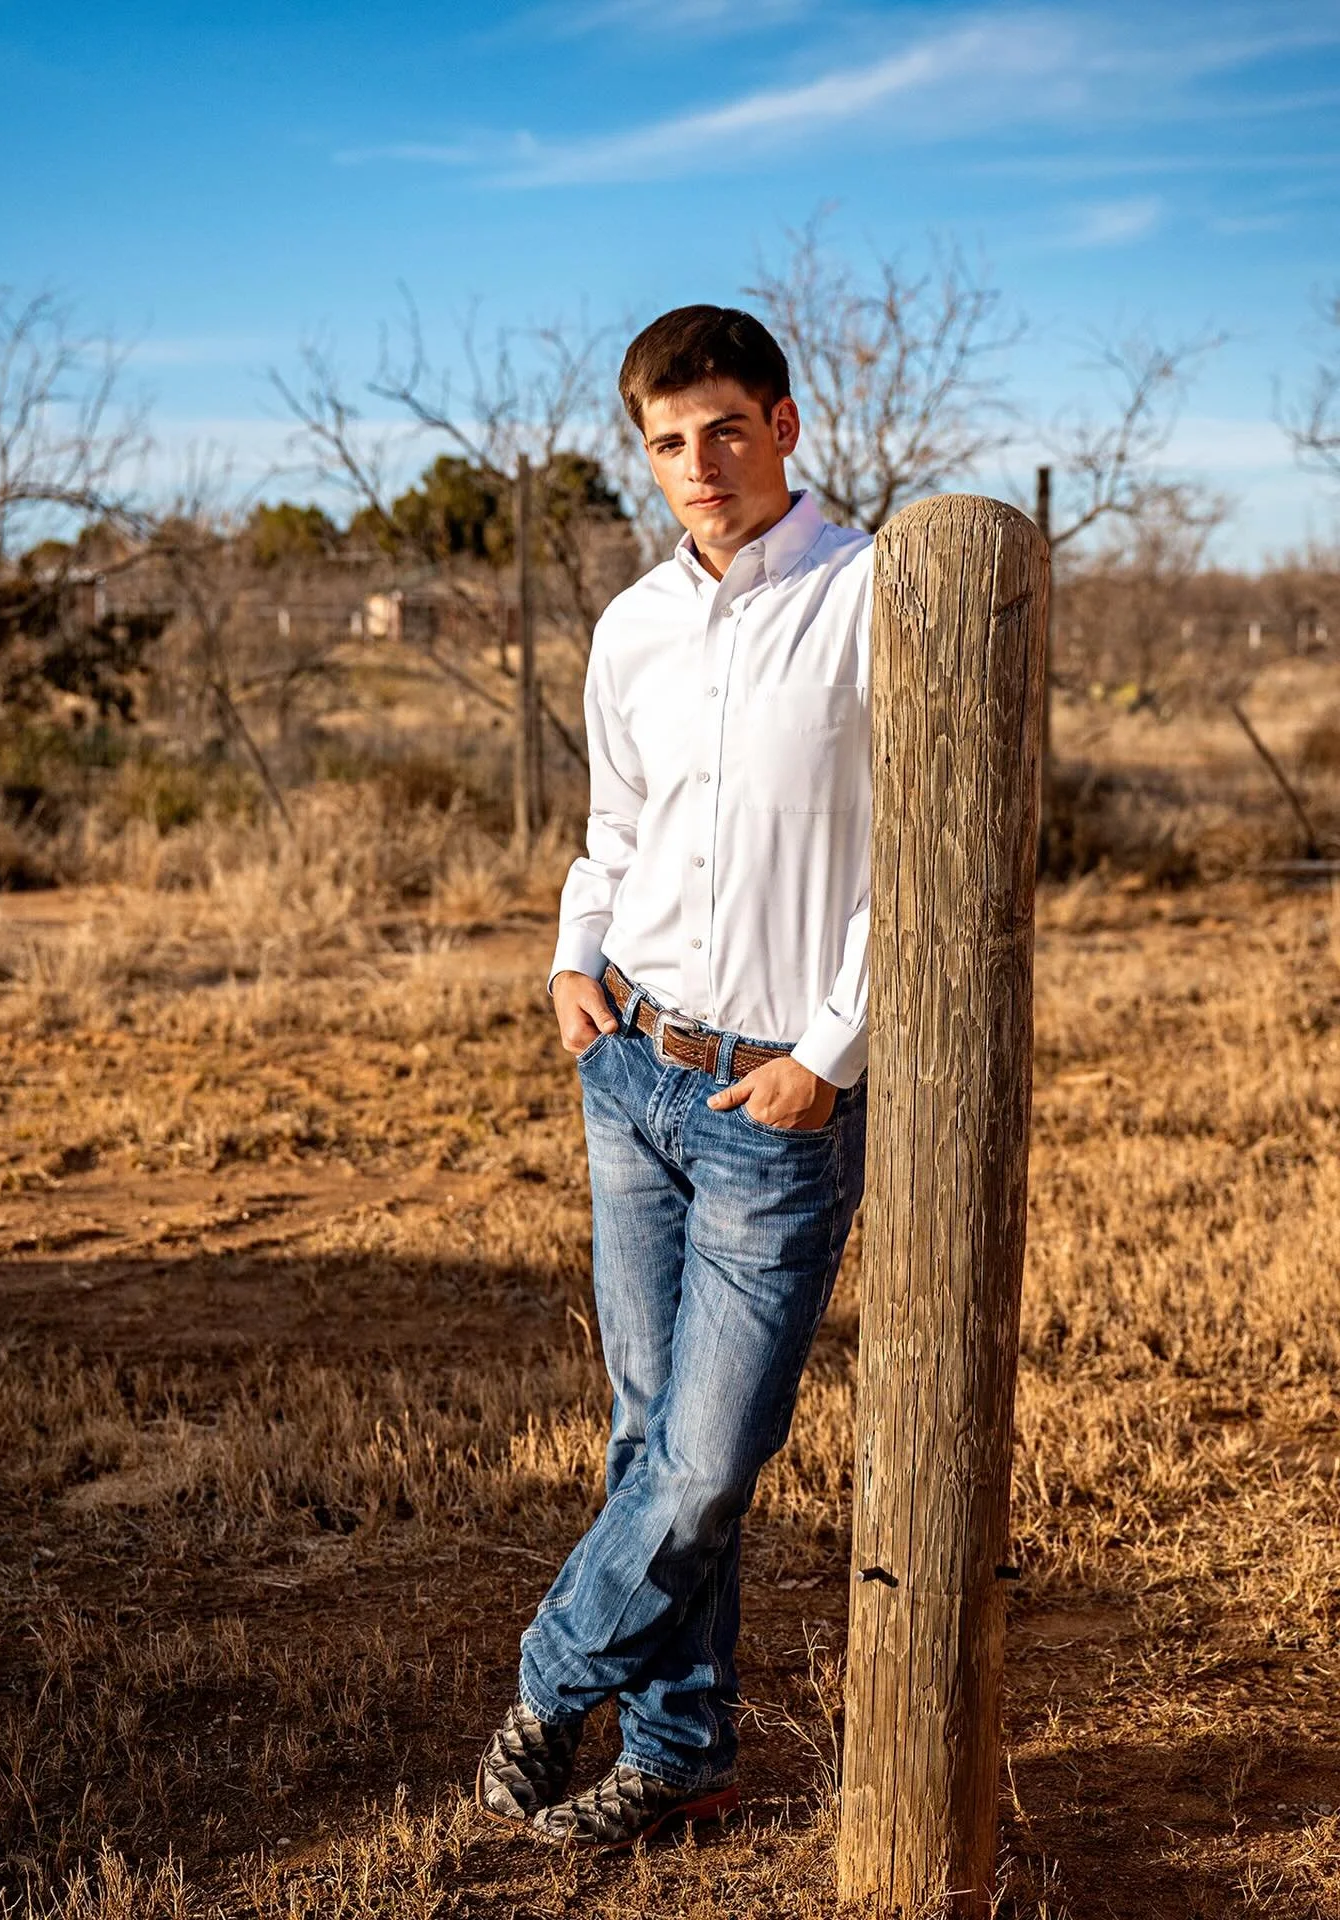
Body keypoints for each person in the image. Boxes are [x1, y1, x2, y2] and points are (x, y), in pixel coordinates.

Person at [476, 304, 874, 1849]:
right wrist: (575, 960)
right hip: (629, 1062)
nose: (696, 465)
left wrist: (829, 1060)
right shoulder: (633, 621)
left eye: (723, 429)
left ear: (784, 424)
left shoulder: (872, 595)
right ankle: (681, 1748)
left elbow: (925, 857)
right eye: (664, 442)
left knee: (707, 1460)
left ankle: (554, 1671)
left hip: (775, 1102)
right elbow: (616, 828)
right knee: (648, 1435)